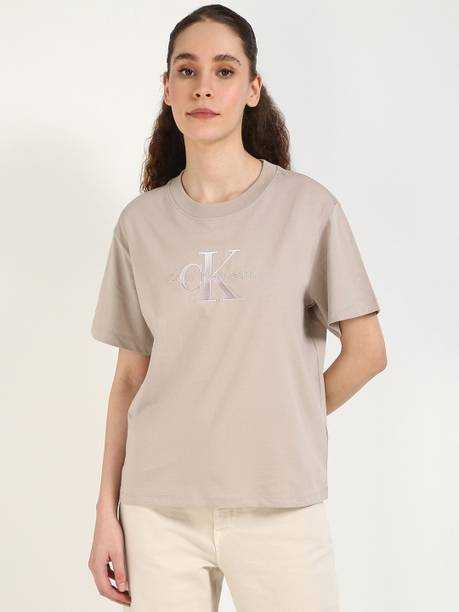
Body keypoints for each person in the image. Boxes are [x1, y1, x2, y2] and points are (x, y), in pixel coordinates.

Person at [87, 4, 387, 611]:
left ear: (252, 89)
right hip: (158, 507)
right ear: (167, 87)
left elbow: (367, 353)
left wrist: (284, 417)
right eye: (187, 70)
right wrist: (106, 511)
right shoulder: (140, 224)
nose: (204, 87)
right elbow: (129, 378)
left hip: (279, 506)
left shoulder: (308, 210)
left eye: (224, 71)